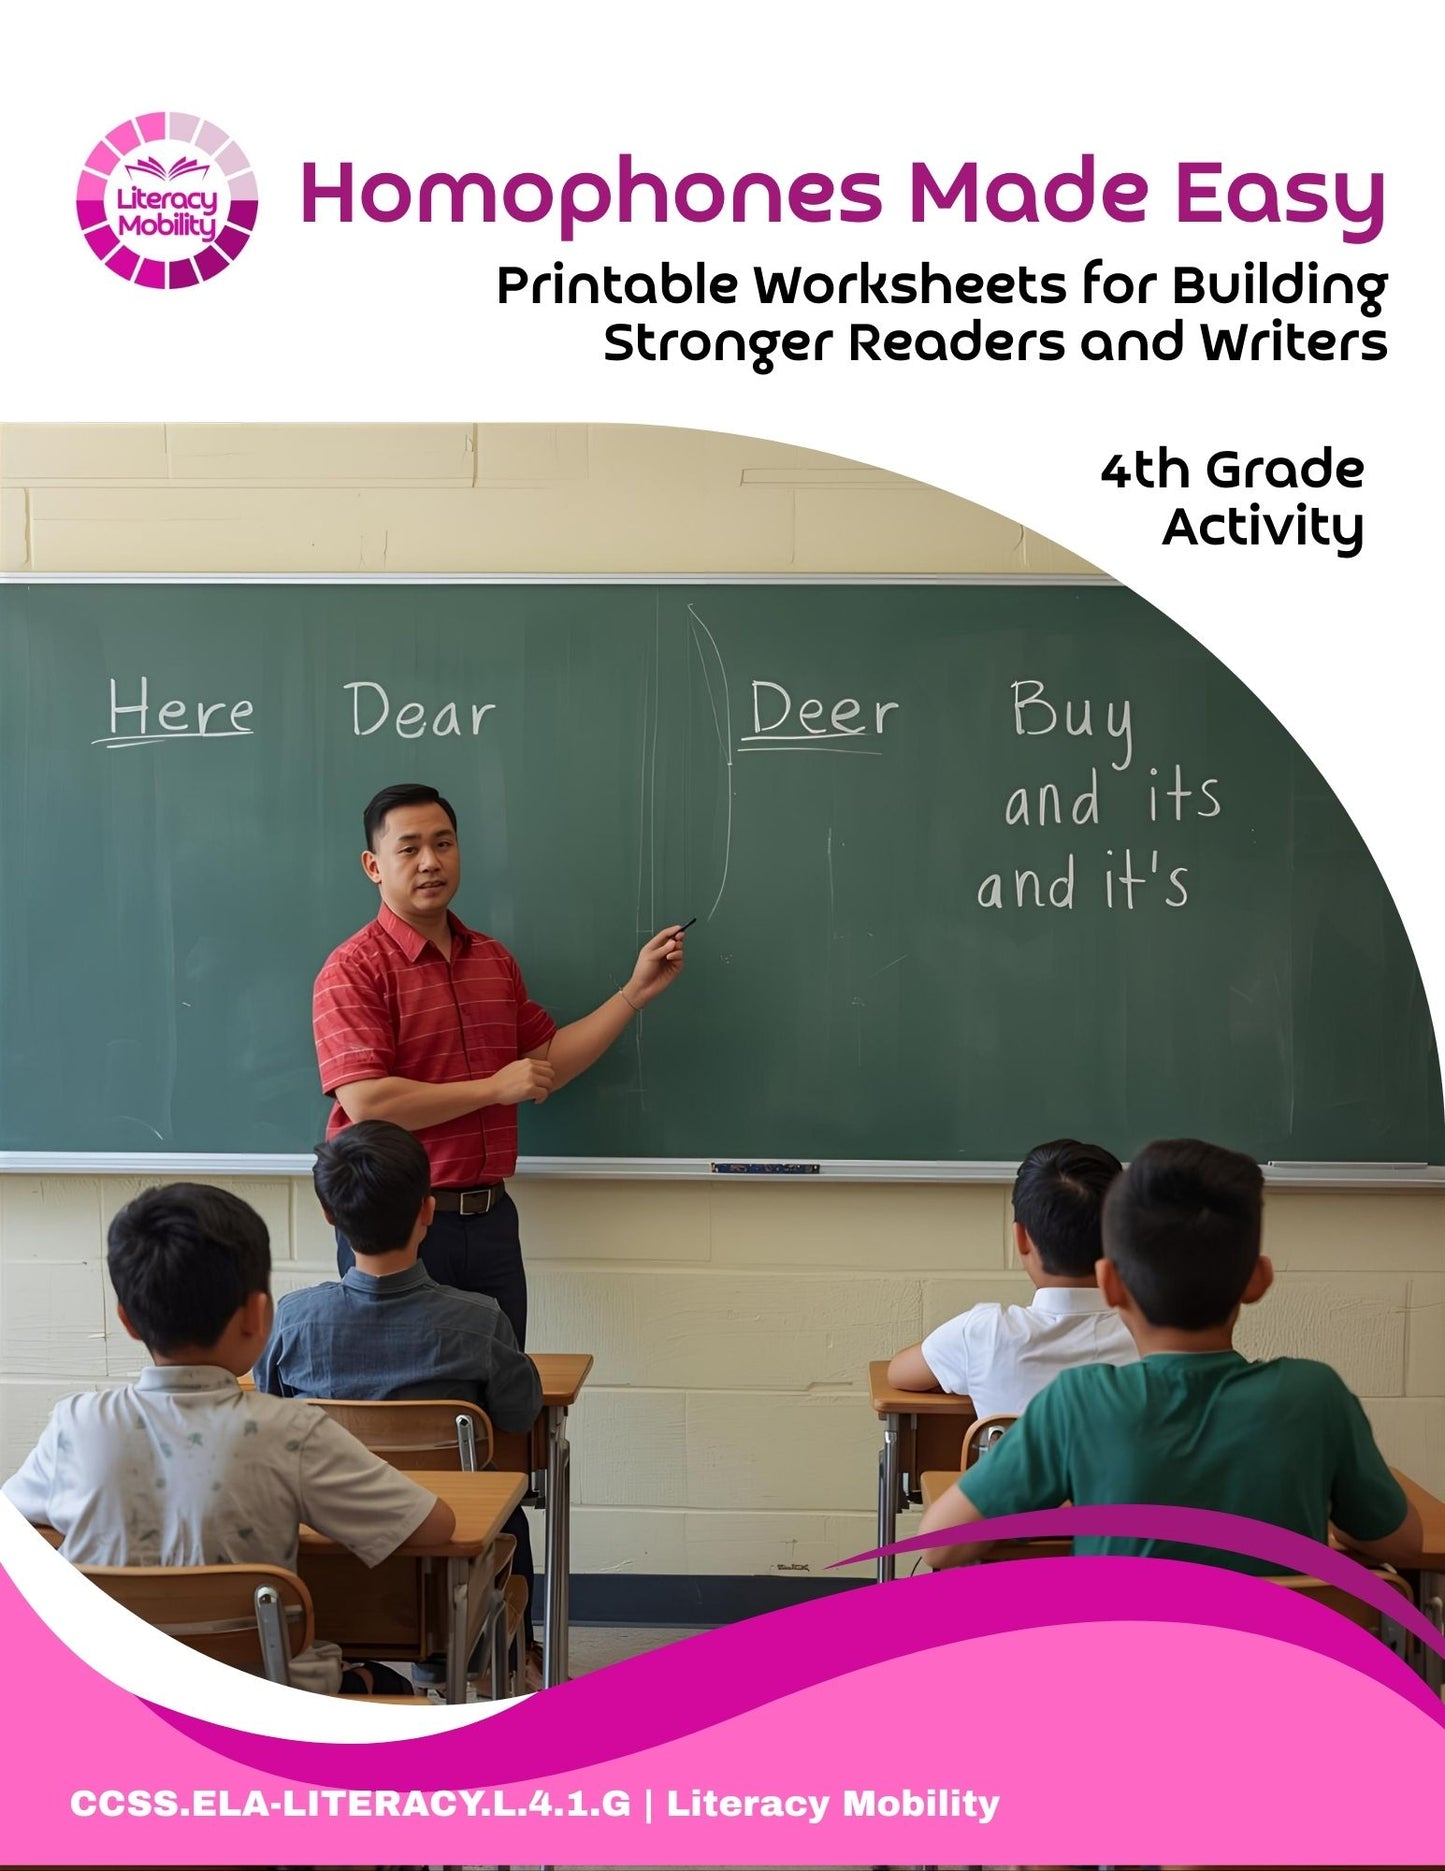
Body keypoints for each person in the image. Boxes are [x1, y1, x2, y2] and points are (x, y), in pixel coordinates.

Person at [2, 1183, 453, 1695]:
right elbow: (434, 1528)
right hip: (263, 1700)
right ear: (259, 1315)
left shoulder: (74, 1424)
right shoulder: (291, 1431)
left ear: (126, 1318)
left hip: (104, 1697)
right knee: (389, 1690)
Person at [919, 1138, 1423, 1573]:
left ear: (1109, 1282)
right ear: (1258, 1278)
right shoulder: (1316, 1398)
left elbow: (941, 1546)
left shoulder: (1077, 1404)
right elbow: (1402, 1544)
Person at [313, 782, 686, 1346]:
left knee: (503, 1398)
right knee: (406, 1395)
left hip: (490, 1221)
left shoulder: (491, 959)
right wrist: (490, 1089)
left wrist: (634, 993)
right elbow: (367, 1103)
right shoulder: (353, 969)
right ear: (374, 865)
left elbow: (544, 1066)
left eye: (444, 843)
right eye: (409, 848)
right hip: (397, 1224)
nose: (431, 861)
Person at [255, 1118, 544, 1678]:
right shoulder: (480, 1322)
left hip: (323, 1582)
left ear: (329, 1217)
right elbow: (519, 1413)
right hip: (443, 1584)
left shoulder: (291, 1322)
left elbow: (267, 1420)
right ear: (428, 1212)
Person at [887, 1138, 1136, 1417]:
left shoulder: (983, 1333)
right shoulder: (1154, 1336)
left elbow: (898, 1373)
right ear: (1122, 1236)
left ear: (1021, 1238)